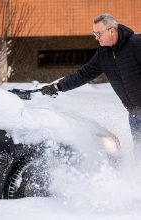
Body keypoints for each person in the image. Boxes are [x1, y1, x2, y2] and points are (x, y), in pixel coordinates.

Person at [41, 13, 141, 156]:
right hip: (134, 114)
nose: (96, 37)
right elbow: (85, 73)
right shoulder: (104, 53)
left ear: (111, 30)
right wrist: (58, 86)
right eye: (94, 33)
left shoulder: (136, 44)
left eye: (98, 33)